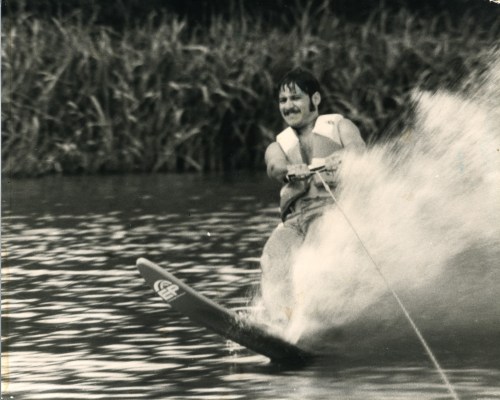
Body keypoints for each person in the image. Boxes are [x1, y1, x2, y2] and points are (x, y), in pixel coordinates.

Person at [260, 67, 366, 324]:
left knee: (313, 254)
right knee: (272, 257)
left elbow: (358, 148)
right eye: (283, 100)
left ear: (315, 99)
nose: (288, 105)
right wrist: (288, 170)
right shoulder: (278, 145)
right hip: (295, 221)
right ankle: (281, 321)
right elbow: (274, 166)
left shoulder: (340, 126)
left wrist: (340, 157)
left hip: (332, 214)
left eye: (295, 98)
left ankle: (314, 317)